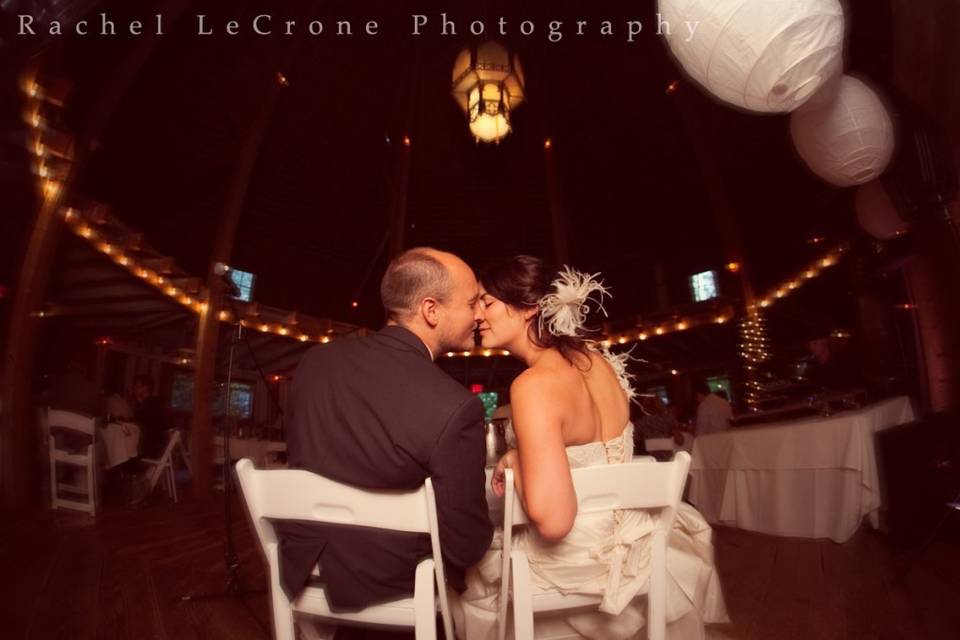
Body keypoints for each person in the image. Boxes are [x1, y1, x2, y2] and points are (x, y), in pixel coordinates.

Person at [456, 256, 728, 640]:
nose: (477, 316)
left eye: (486, 302)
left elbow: (554, 521)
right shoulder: (598, 363)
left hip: (575, 564)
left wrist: (519, 469)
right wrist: (522, 454)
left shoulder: (533, 385)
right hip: (636, 545)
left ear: (530, 308)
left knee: (467, 564)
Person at [279, 247, 494, 613]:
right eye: (472, 302)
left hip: (304, 563)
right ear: (431, 310)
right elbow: (466, 546)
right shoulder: (455, 406)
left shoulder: (315, 361)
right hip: (393, 585)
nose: (480, 314)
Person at [131, 374, 167, 458]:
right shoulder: (148, 402)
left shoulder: (152, 404)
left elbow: (140, 423)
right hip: (150, 443)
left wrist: (138, 402)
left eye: (137, 385)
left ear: (146, 388)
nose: (134, 388)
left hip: (151, 447)